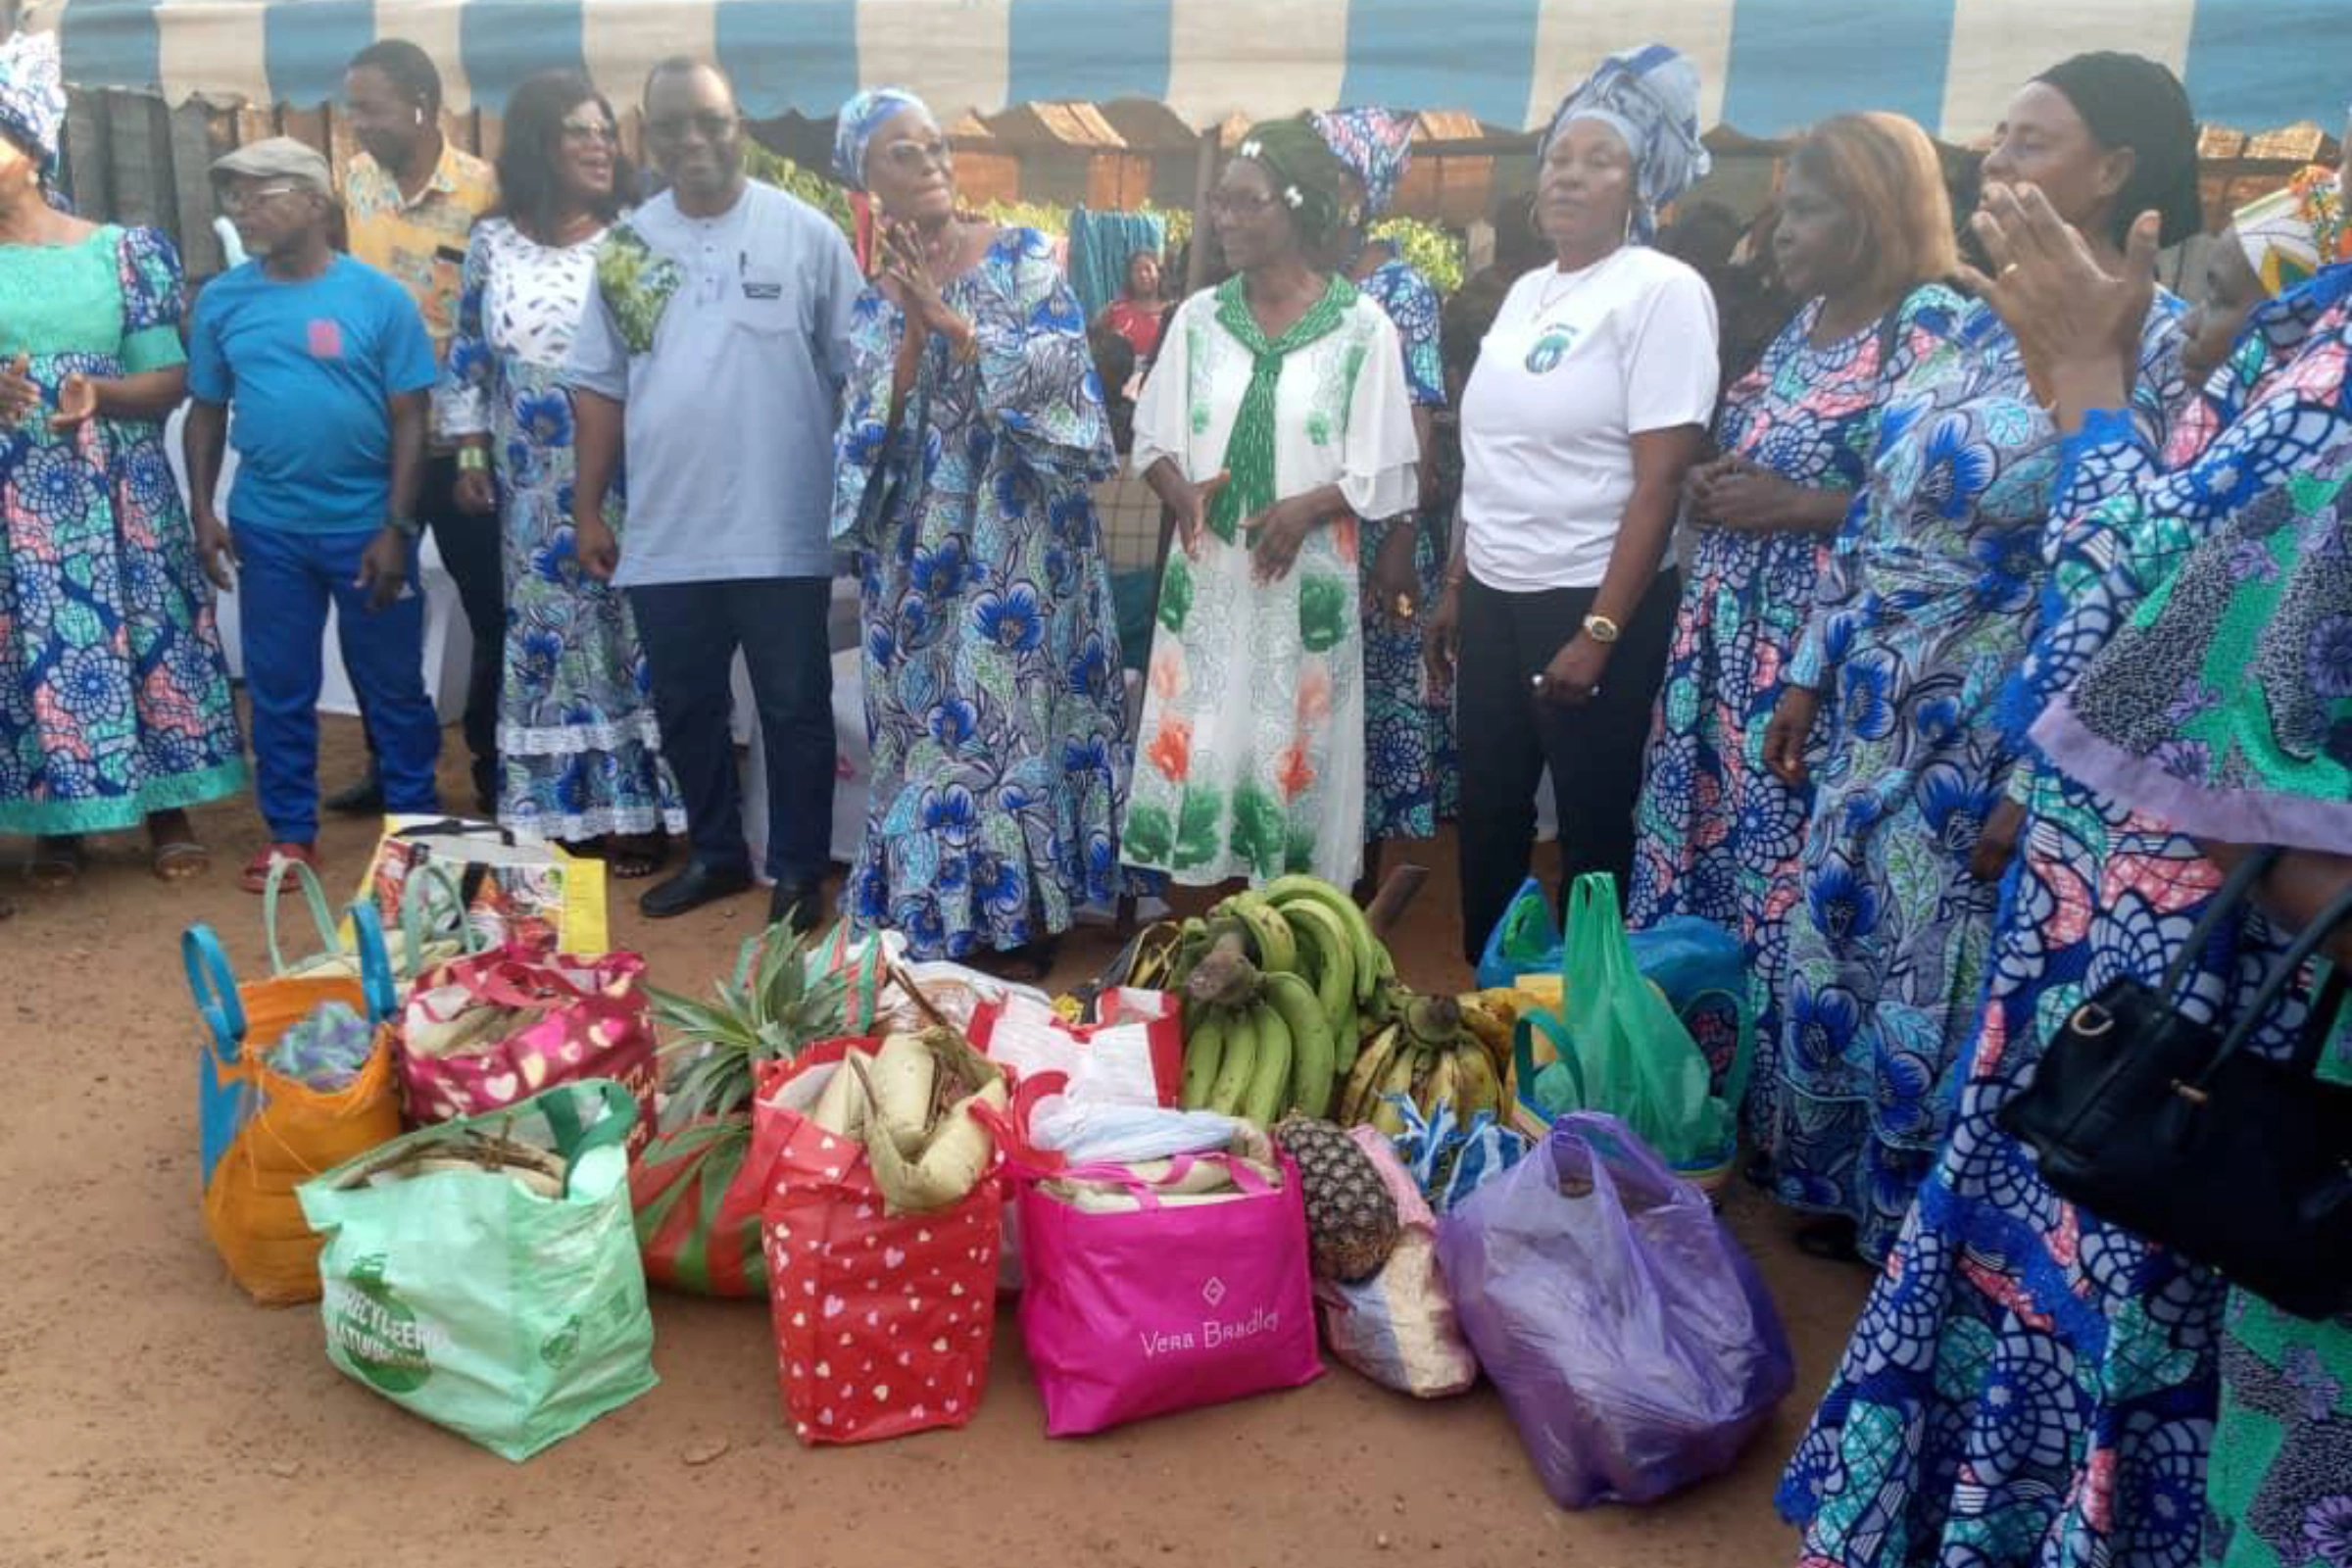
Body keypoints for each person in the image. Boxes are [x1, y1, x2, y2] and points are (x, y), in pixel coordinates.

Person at [1779, 157, 2352, 1568]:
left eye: (2044, 140)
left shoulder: (2259, 362)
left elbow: (2141, 650)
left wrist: (2098, 385)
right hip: (2127, 939)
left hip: (2227, 978)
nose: (2010, 170)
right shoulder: (2291, 325)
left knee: (2162, 1338)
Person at [1753, 54, 2201, 1266]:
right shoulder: (1955, 325)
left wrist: (2033, 778)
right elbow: (1873, 511)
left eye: (2036, 142)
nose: (2000, 163)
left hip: (1990, 705)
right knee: (1843, 934)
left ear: (2116, 172)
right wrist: (1807, 668)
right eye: (1996, 141)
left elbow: (2122, 571)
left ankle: (1918, 1237)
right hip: (1872, 688)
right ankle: (1844, 1187)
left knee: (1936, 965)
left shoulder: (2147, 344)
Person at [1627, 113, 1963, 1150]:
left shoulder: (1931, 325)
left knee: (1791, 873)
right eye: (1780, 208)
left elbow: (1941, 508)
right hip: (1723, 633)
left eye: (1805, 209)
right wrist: (1714, 481)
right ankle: (1700, 1090)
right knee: (1714, 853)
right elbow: (1765, 451)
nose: (1779, 231)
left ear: (1870, 213)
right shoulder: (1804, 322)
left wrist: (1798, 507)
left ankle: (1791, 1121)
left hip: (1819, 650)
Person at [828, 87, 1136, 970]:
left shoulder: (1022, 255)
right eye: (901, 153)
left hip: (1016, 538)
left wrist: (958, 327)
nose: (928, 165)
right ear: (865, 176)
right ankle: (940, 909)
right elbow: (862, 431)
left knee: (1001, 718)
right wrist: (913, 335)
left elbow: (1064, 373)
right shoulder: (872, 298)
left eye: (934, 146)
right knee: (927, 725)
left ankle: (1018, 918)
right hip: (916, 547)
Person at [1427, 44, 1720, 963]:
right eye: (1559, 156)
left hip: (1595, 597)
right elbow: (1493, 458)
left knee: (1595, 829)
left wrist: (1599, 629)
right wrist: (1457, 584)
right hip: (1499, 593)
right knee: (1491, 815)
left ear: (1642, 185)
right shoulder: (1525, 292)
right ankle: (1491, 1004)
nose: (1570, 175)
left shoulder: (1662, 292)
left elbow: (1660, 479)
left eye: (1600, 161)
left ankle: (1589, 1021)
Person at [564, 58, 862, 927]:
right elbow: (600, 387)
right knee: (687, 706)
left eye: (711, 121)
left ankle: (801, 872)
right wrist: (588, 507)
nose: (692, 140)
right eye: (671, 127)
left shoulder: (807, 235)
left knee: (793, 707)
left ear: (741, 124)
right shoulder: (626, 248)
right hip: (667, 529)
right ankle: (719, 856)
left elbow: (860, 377)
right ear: (646, 138)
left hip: (782, 524)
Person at [1120, 118, 1418, 889]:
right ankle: (1195, 960)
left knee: (1290, 748)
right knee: (1204, 748)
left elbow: (1388, 472)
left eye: (1248, 202)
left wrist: (1307, 506)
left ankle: (1286, 948)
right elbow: (1150, 441)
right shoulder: (1198, 320)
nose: (1226, 218)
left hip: (1303, 582)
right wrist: (1182, 495)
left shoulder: (1361, 331)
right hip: (1210, 576)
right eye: (1221, 201)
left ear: (1298, 207)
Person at [0, 32, 244, 891]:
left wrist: (101, 396)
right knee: (29, 649)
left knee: (143, 632)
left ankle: (166, 809)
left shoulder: (121, 251)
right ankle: (55, 827)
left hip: (117, 493)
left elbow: (171, 376)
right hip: (12, 506)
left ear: (31, 151)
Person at [435, 71, 682, 875]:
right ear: (541, 144)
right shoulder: (492, 242)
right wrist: (469, 453)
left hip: (624, 472)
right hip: (526, 483)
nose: (599, 143)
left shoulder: (636, 243)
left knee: (624, 632)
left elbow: (668, 361)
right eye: (579, 130)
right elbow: (469, 357)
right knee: (543, 638)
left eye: (606, 129)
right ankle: (566, 808)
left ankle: (641, 810)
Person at [182, 138, 442, 889]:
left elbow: (410, 419)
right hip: (270, 526)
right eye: (234, 196)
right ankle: (292, 835)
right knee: (279, 684)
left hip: (366, 525)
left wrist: (395, 527)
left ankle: (416, 833)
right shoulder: (225, 301)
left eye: (260, 194)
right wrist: (205, 511)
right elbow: (206, 410)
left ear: (315, 202)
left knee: (391, 684)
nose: (242, 210)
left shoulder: (379, 299)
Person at [332, 40, 502, 815]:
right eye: (350, 106)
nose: (355, 123)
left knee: (489, 604)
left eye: (369, 107)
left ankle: (495, 764)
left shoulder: (485, 192)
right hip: (374, 441)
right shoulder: (357, 184)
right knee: (376, 596)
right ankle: (390, 761)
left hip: (463, 444)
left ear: (422, 104)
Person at [1308, 106, 1457, 871]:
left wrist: (1399, 539)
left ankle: (1352, 875)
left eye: (1334, 173)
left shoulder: (1400, 288)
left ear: (1362, 189)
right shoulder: (1294, 279)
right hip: (1300, 526)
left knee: (1364, 698)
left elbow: (1417, 417)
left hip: (1373, 530)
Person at [1097, 249, 1167, 364]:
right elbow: (1094, 335)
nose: (1143, 275)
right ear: (1130, 277)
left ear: (1159, 273)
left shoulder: (1171, 312)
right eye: (1137, 271)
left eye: (1148, 269)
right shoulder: (1115, 309)